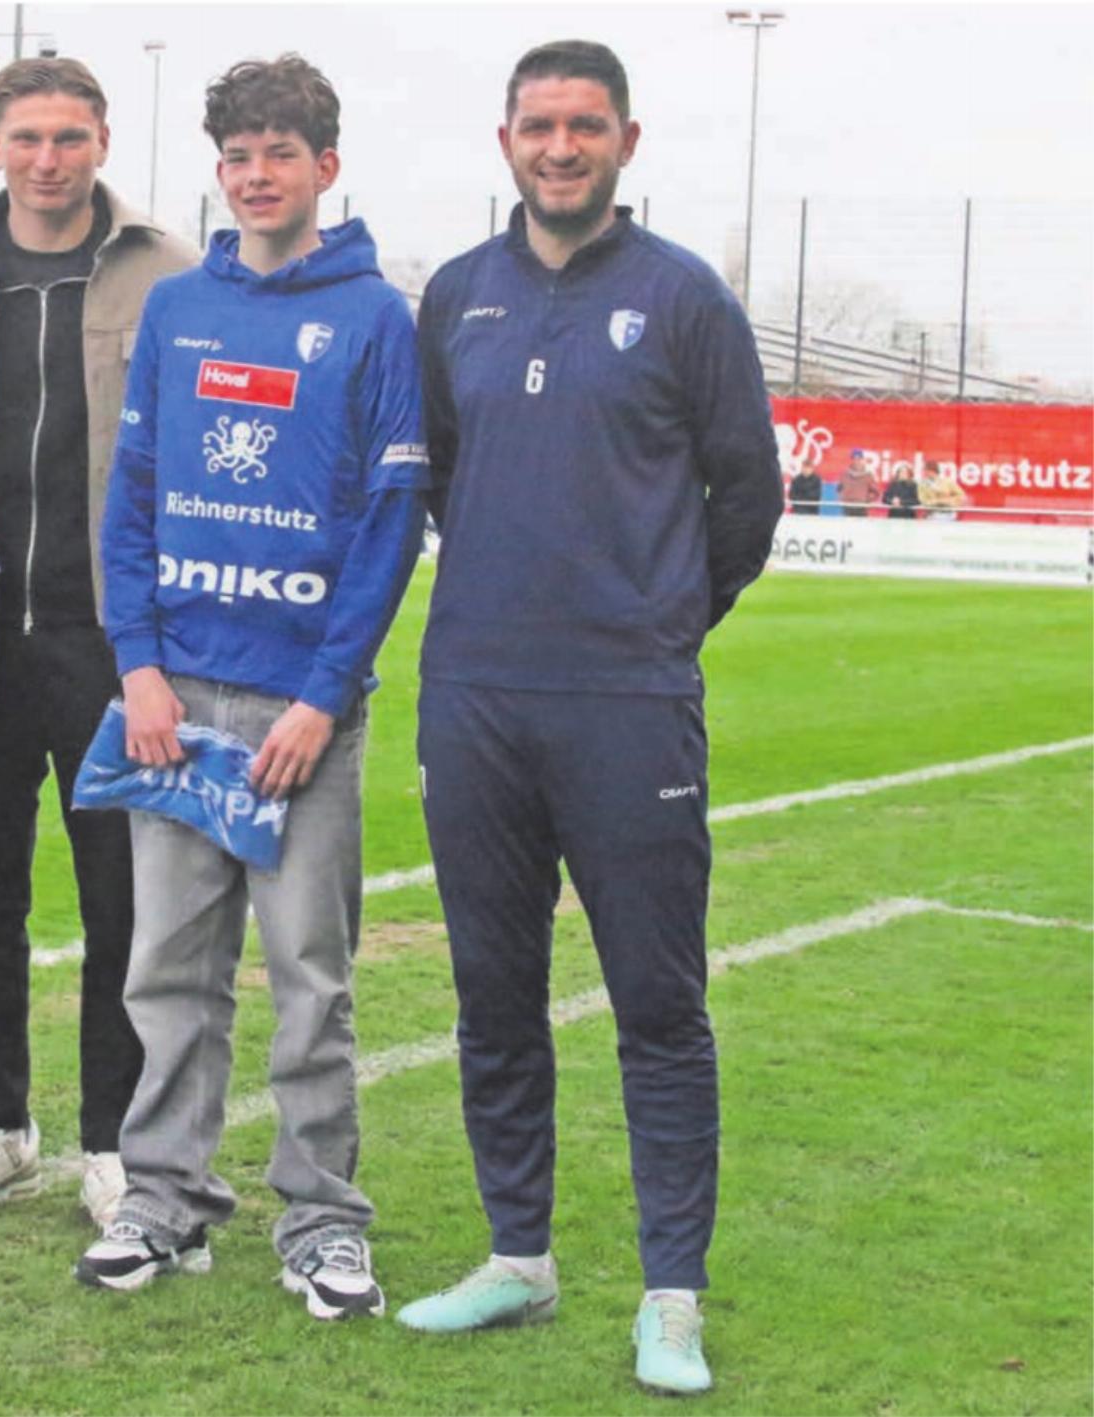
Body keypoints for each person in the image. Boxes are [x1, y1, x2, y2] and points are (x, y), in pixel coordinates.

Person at [402, 40, 783, 1393]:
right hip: (479, 696)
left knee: (658, 1005)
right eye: (538, 126)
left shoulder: (685, 299)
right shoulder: (455, 295)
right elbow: (442, 475)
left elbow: (747, 498)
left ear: (627, 138)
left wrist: (660, 619)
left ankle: (670, 1295)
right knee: (493, 992)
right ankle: (519, 1256)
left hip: (630, 701)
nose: (559, 147)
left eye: (584, 126)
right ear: (504, 138)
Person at [73, 54, 427, 1322]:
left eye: (280, 154)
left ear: (325, 168)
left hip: (300, 718)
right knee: (165, 970)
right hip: (177, 703)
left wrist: (325, 699)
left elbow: (391, 521)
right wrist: (141, 669)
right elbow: (135, 494)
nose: (257, 175)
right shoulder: (180, 309)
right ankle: (164, 1202)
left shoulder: (377, 317)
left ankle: (325, 1223)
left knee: (309, 979)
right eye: (237, 157)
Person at [0, 58, 196, 1229]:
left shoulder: (172, 272)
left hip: (112, 643)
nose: (48, 159)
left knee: (125, 896)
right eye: (27, 138)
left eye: (70, 137)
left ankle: (114, 1142)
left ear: (103, 141)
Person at [839, 448, 879, 517]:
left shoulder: (868, 475)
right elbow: (839, 489)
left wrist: (867, 501)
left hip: (861, 508)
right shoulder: (845, 474)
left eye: (858, 459)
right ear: (852, 460)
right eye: (854, 459)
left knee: (862, 527)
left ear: (862, 460)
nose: (856, 461)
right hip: (848, 507)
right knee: (847, 527)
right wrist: (843, 499)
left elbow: (876, 492)